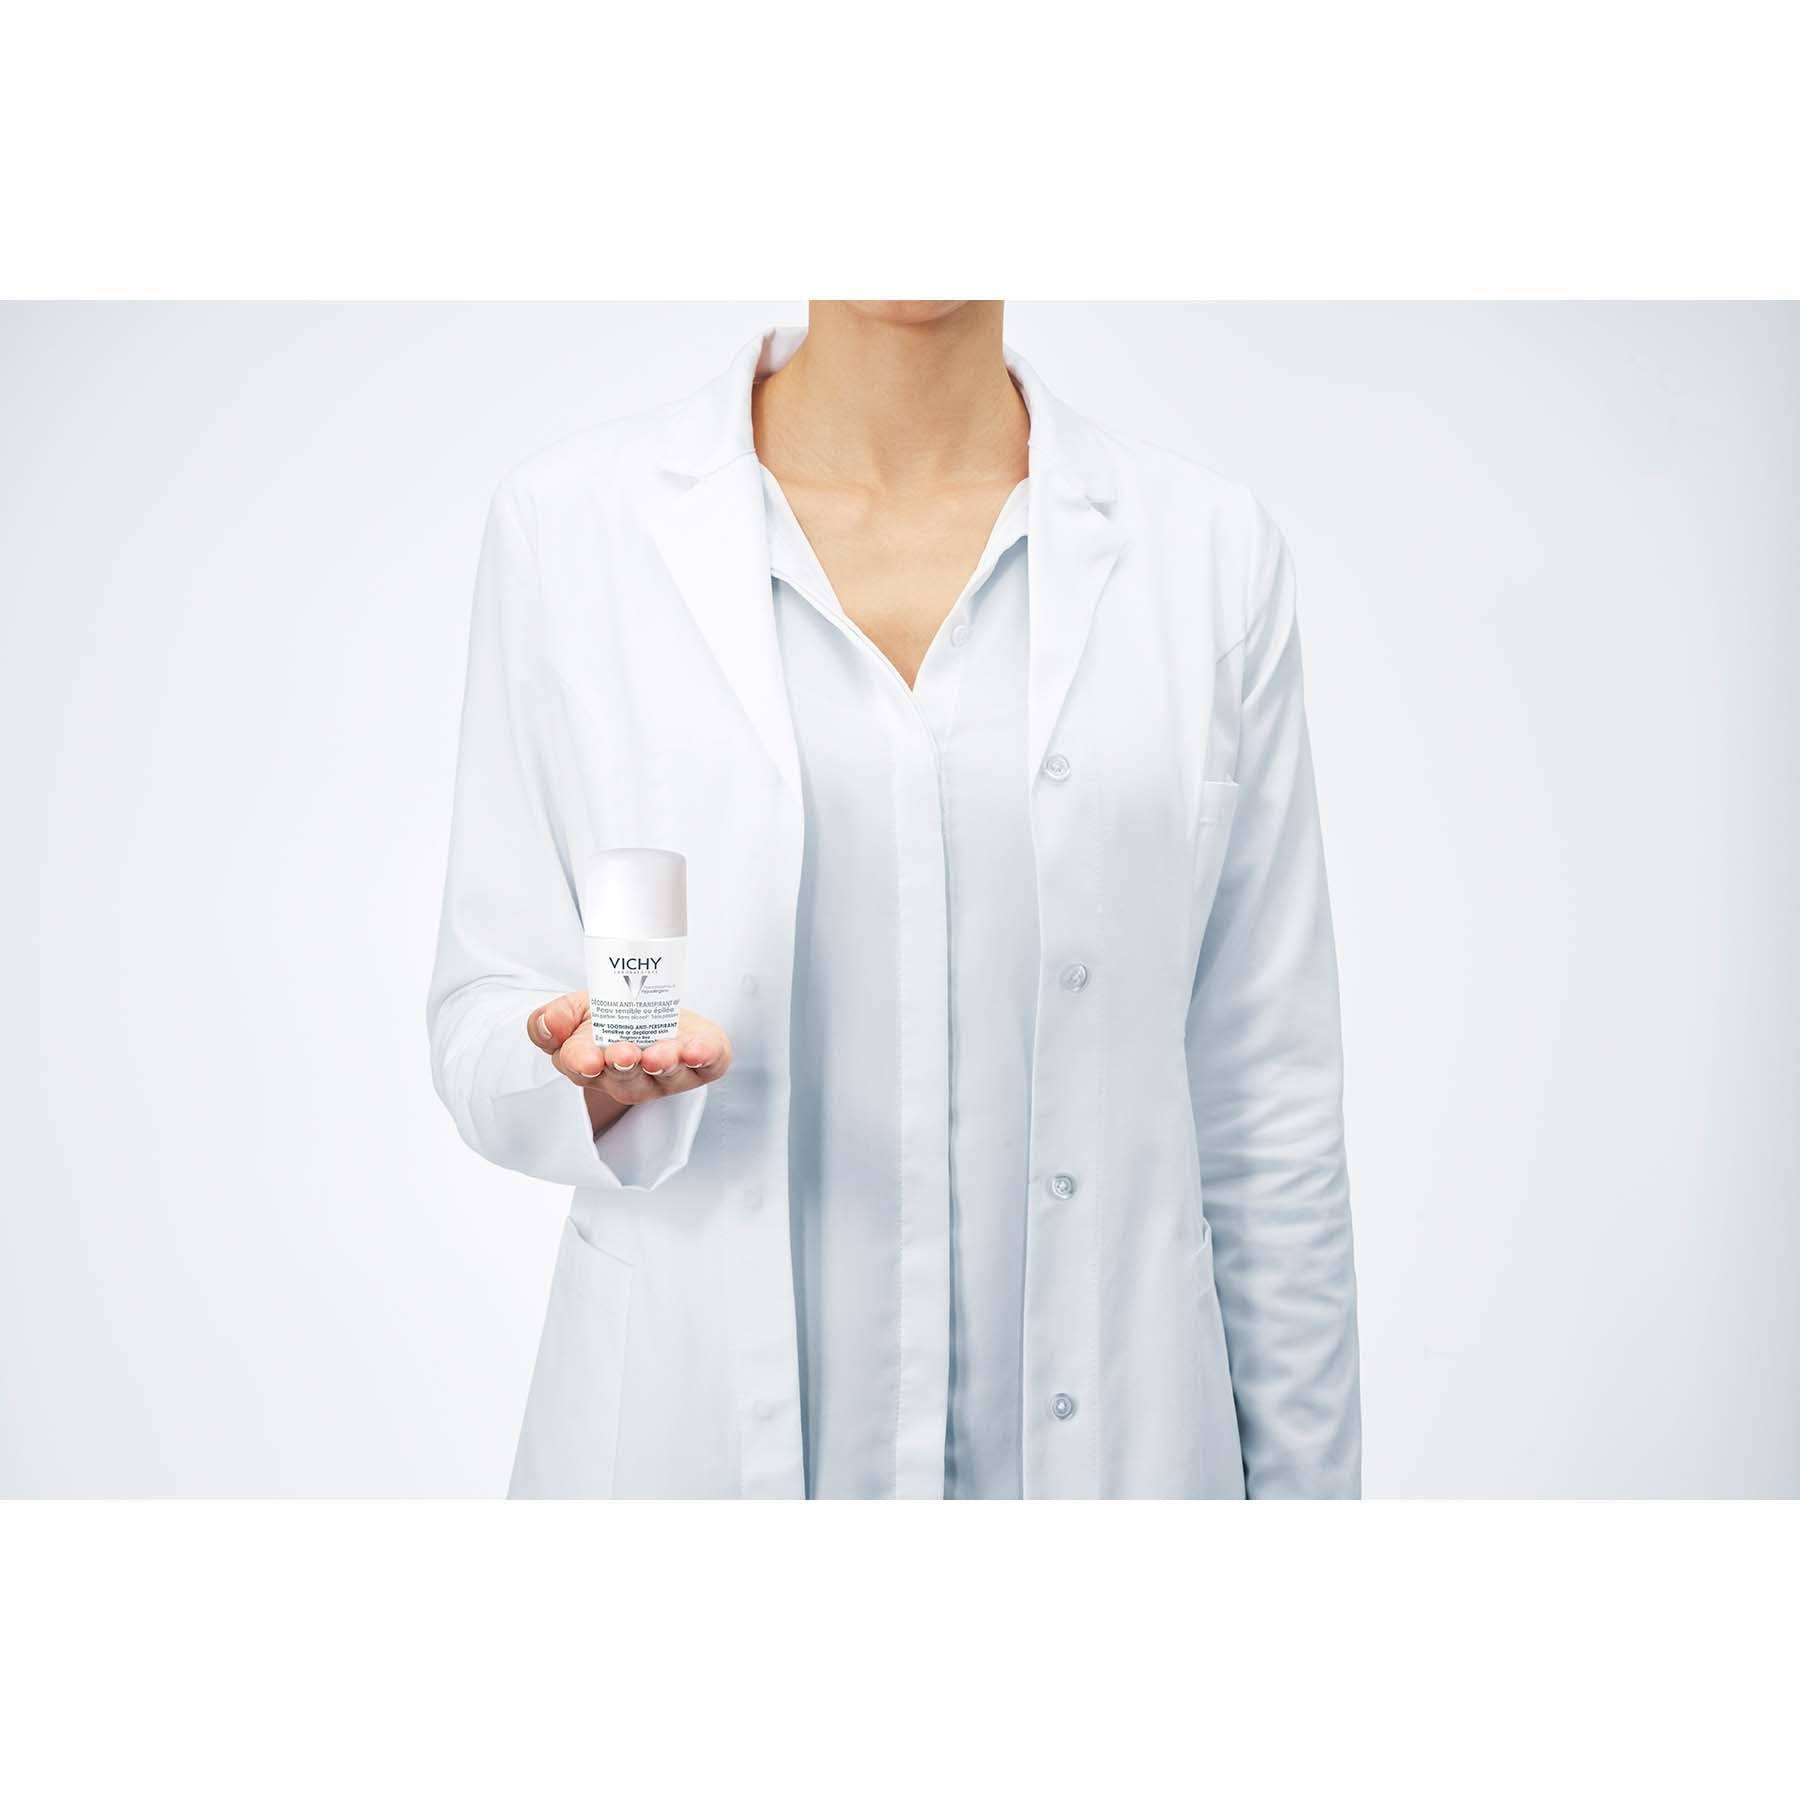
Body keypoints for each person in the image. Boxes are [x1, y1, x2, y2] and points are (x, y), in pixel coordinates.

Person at [427, 302, 1361, 1499]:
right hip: (688, 1441)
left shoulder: (1208, 555)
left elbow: (1268, 1105)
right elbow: (483, 1004)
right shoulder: (571, 529)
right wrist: (591, 1081)